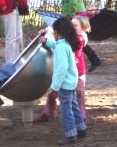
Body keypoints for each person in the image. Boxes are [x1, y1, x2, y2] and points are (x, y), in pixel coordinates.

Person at [40, 17, 87, 145]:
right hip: (72, 82)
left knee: (67, 111)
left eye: (54, 32)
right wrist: (45, 41)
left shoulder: (61, 47)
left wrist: (55, 88)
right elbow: (55, 44)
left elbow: (62, 68)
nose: (53, 34)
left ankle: (71, 135)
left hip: (65, 84)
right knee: (74, 106)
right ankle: (81, 128)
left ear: (57, 33)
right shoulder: (66, 43)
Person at [61, 0, 101, 72]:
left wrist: (69, 16)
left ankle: (88, 61)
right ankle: (94, 60)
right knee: (77, 39)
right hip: (79, 15)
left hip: (75, 16)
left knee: (74, 39)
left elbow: (73, 3)